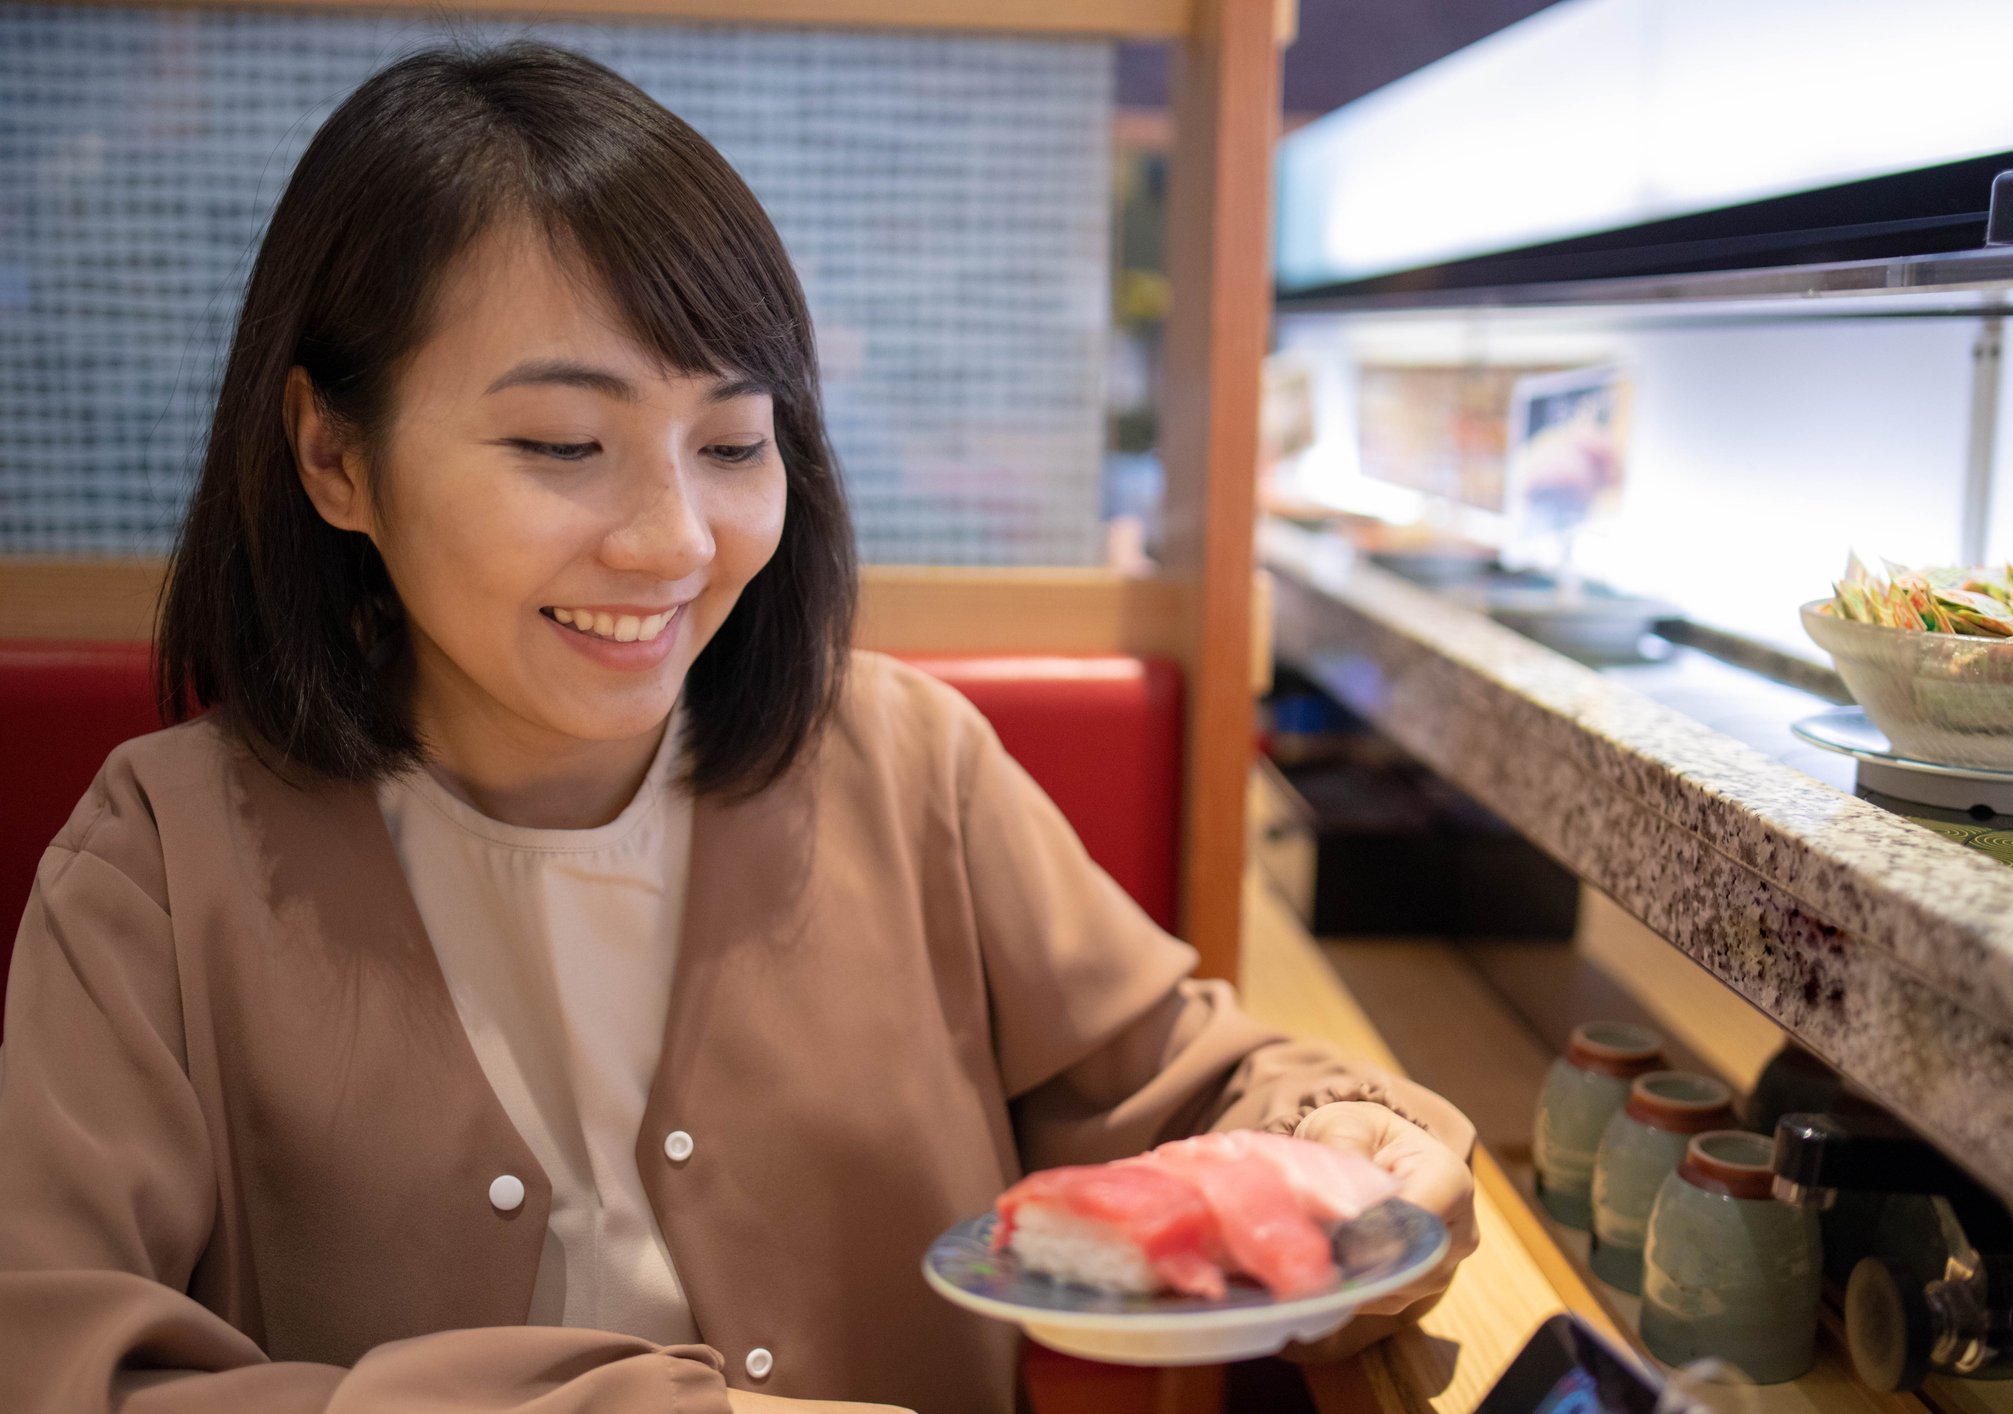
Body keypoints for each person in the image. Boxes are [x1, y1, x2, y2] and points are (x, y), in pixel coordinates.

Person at [0, 41, 1476, 1414]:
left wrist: (1342, 1147)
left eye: (730, 442)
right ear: (334, 453)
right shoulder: (159, 859)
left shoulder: (905, 765)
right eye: (562, 446)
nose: (673, 542)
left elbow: (1193, 1081)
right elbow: (61, 1363)